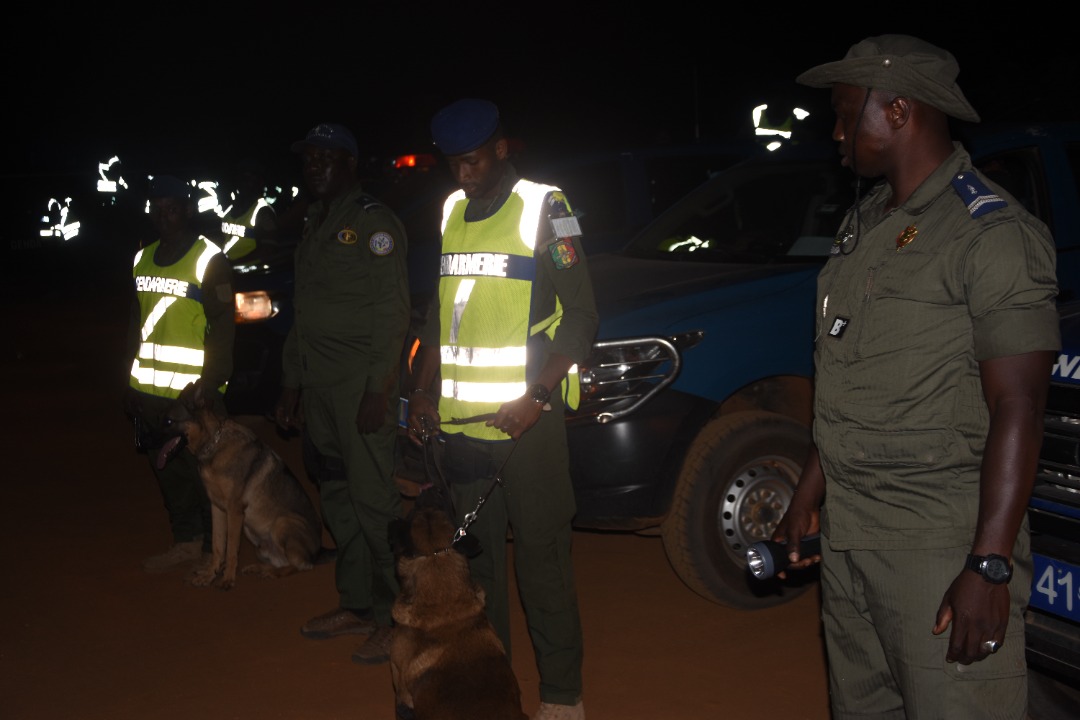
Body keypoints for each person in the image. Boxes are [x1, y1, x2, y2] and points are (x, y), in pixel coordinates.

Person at [771, 35, 1060, 720]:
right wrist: (809, 494)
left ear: (897, 111)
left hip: (938, 544)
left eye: (846, 114)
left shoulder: (989, 235)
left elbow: (1019, 405)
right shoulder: (867, 222)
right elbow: (850, 374)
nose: (837, 134)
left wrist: (988, 564)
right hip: (852, 540)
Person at [404, 98, 599, 720]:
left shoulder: (546, 207)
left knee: (542, 561)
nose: (464, 175)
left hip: (526, 427)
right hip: (462, 426)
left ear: (502, 148)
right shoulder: (450, 211)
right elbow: (440, 312)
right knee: (472, 569)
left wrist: (537, 397)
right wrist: (424, 388)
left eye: (474, 161)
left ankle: (563, 696)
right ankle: (492, 690)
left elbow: (583, 320)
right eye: (453, 164)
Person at [273, 122, 410, 665]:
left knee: (375, 501)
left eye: (324, 159)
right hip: (321, 384)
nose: (312, 167)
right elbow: (304, 311)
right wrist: (292, 380)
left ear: (350, 164)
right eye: (307, 159)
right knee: (337, 496)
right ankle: (357, 604)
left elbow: (392, 311)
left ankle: (395, 616)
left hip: (359, 384)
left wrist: (379, 388)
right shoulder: (315, 219)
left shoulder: (374, 223)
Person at [124, 174, 235, 572]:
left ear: (187, 210)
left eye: (171, 209)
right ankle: (185, 540)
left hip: (193, 395)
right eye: (157, 209)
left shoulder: (209, 258)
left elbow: (223, 326)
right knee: (167, 471)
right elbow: (135, 323)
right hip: (150, 392)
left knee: (205, 472)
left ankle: (212, 548)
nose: (163, 217)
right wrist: (131, 382)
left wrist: (210, 385)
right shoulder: (142, 257)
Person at [218, 157, 280, 261]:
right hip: (227, 271)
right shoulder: (229, 209)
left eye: (250, 178)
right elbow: (221, 238)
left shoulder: (263, 211)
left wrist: (236, 264)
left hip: (249, 273)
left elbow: (268, 249)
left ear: (259, 182)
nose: (244, 183)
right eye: (241, 178)